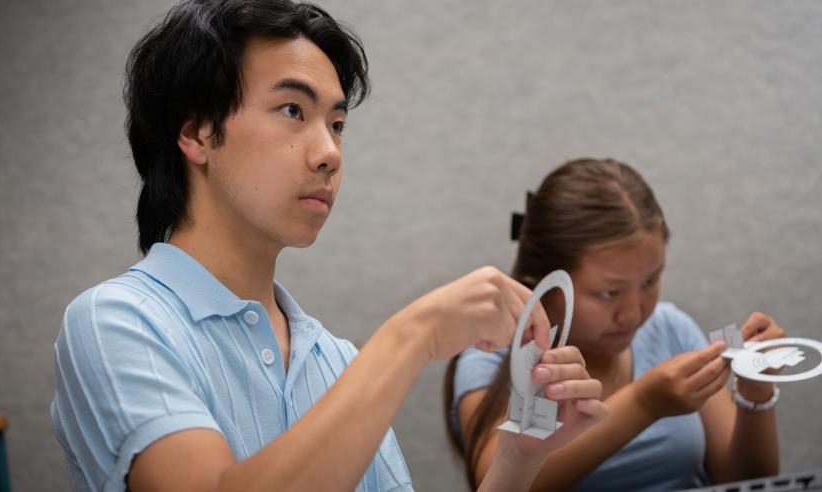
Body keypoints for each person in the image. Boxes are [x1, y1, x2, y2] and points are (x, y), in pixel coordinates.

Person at [49, 2, 607, 491]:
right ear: (196, 133)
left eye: (336, 123)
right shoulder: (115, 322)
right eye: (293, 110)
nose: (330, 153)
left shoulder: (337, 362)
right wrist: (413, 335)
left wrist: (516, 463)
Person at [445, 158, 784, 491]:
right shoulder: (499, 354)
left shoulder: (670, 328)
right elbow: (496, 481)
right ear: (549, 284)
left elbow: (745, 480)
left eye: (650, 282)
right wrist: (643, 403)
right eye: (609, 293)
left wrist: (756, 395)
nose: (633, 313)